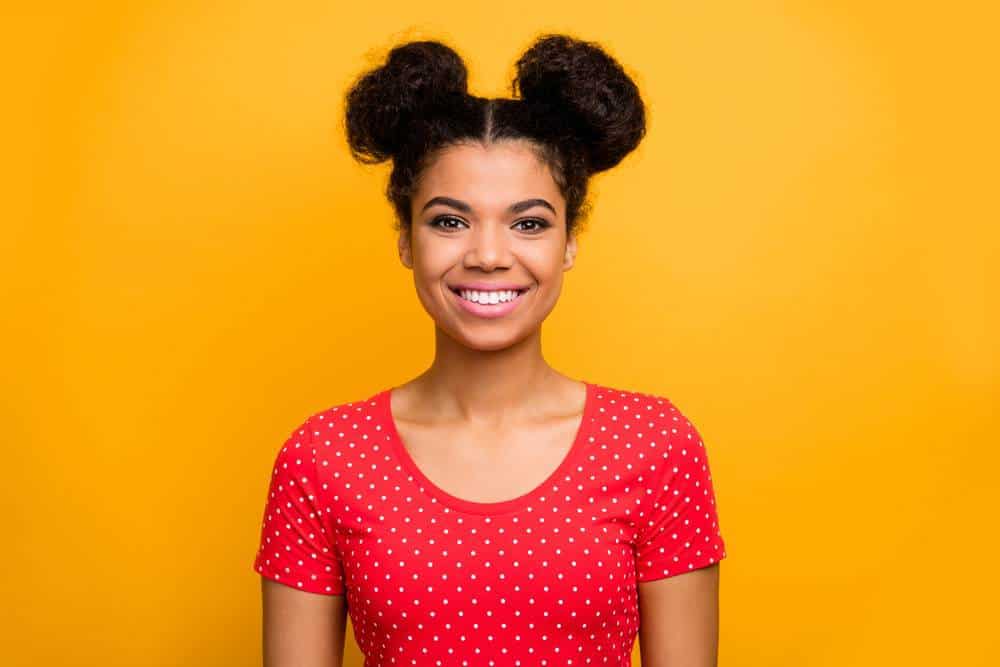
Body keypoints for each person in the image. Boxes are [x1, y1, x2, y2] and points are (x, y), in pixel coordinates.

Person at [252, 33, 727, 667]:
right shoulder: (322, 460)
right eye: (449, 220)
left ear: (568, 243)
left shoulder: (656, 447)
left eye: (529, 223)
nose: (488, 255)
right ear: (405, 239)